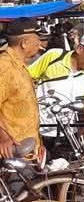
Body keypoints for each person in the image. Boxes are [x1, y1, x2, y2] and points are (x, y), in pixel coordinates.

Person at [0, 18, 44, 159]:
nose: (40, 45)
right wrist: (3, 136)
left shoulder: (19, 65)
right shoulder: (4, 67)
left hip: (29, 151)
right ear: (24, 43)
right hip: (13, 152)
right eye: (37, 40)